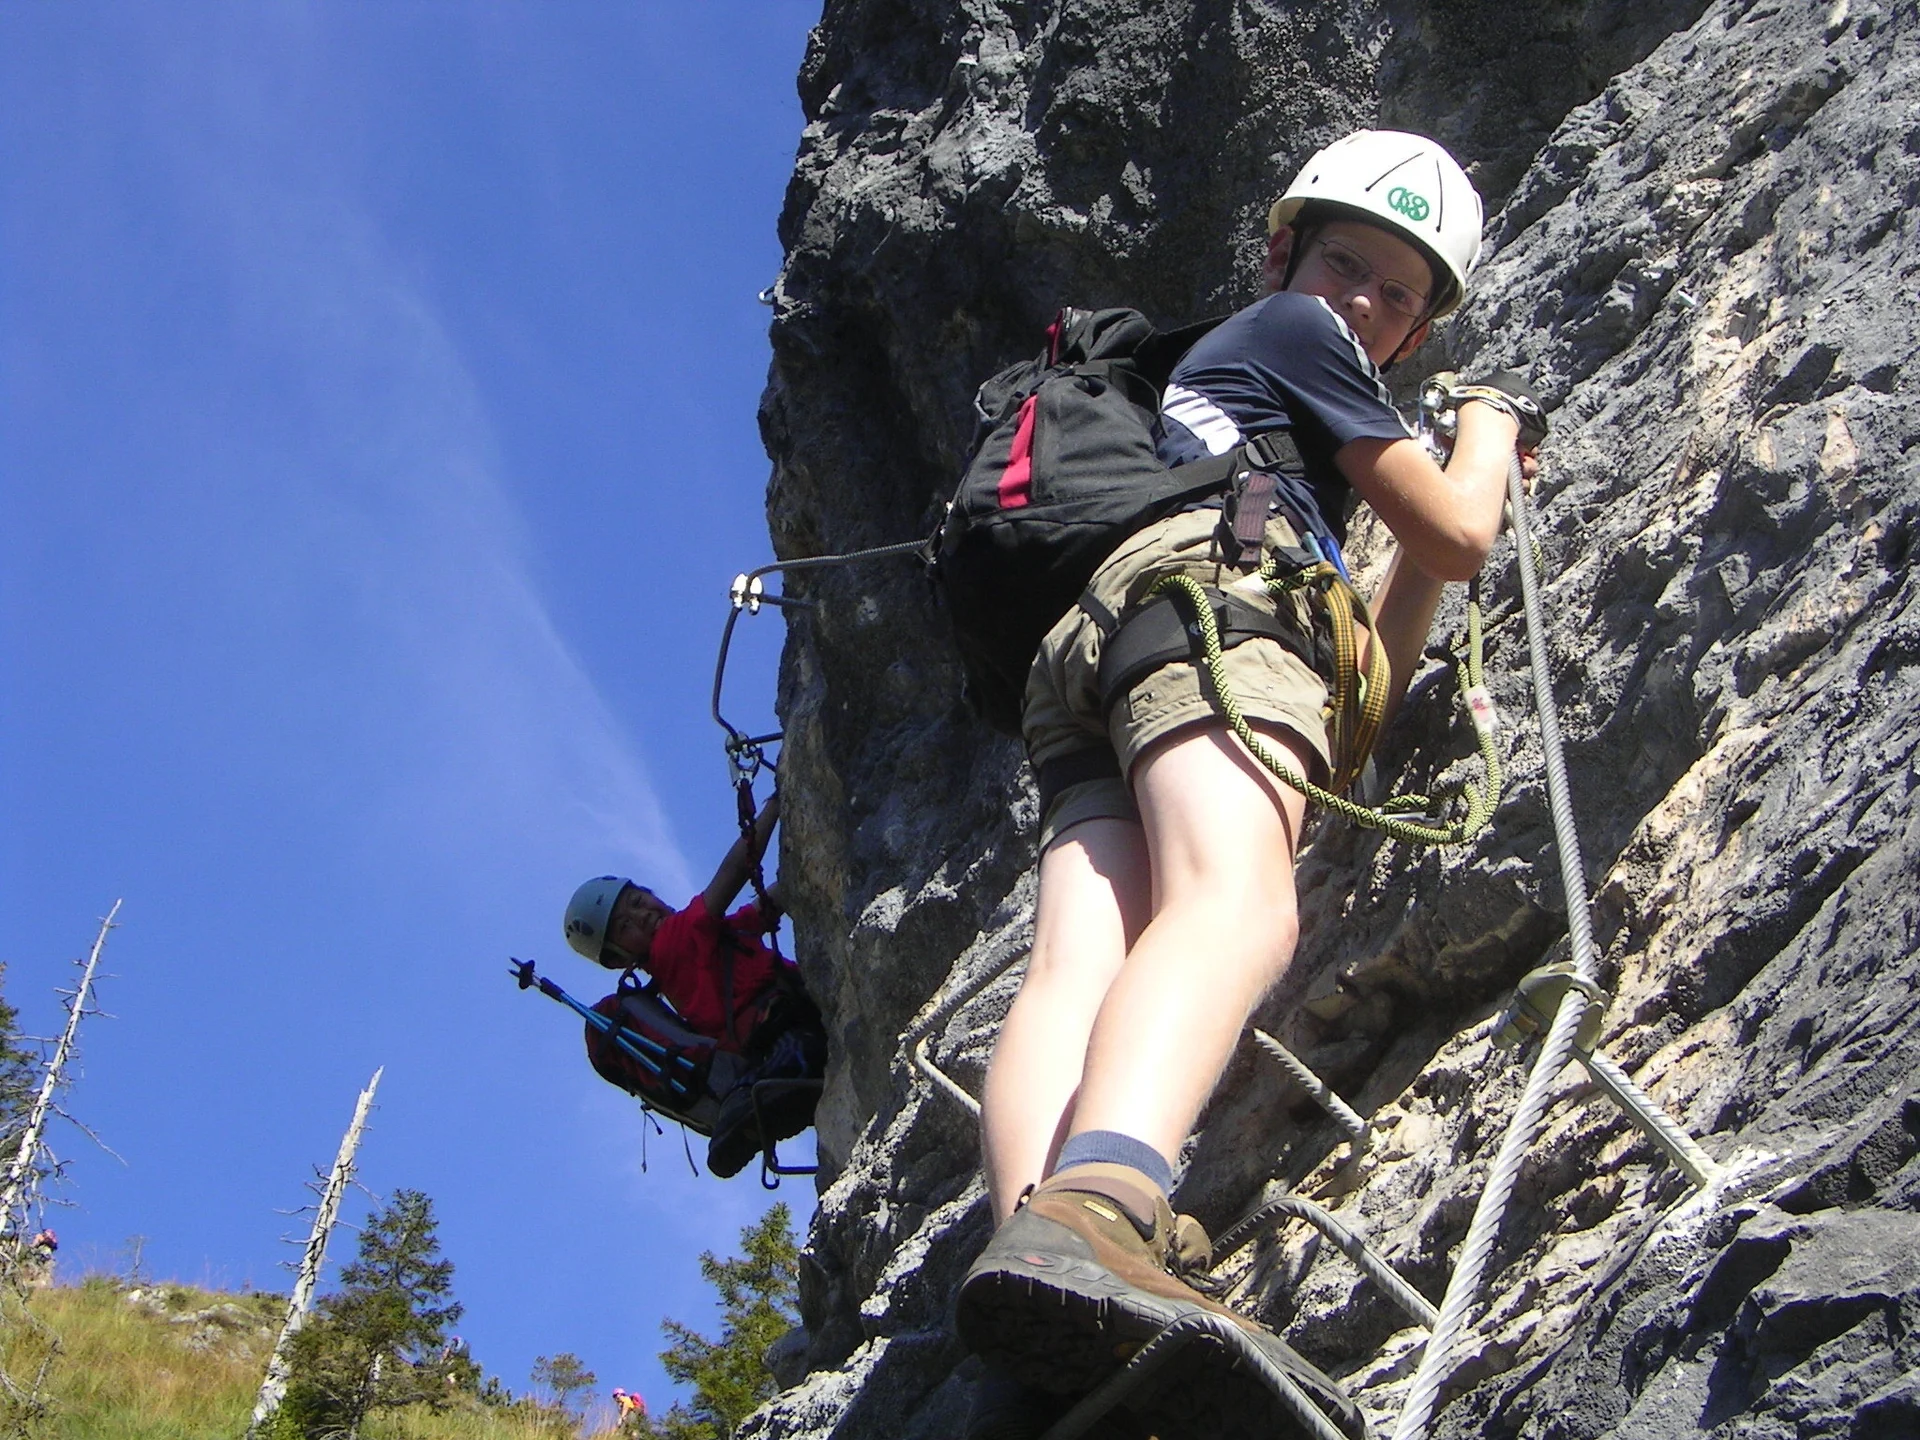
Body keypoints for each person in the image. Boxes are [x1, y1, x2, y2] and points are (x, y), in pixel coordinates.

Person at [954, 131, 1543, 1440]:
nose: (1370, 304)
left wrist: (1413, 557)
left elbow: (1350, 705)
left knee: (1080, 962)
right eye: (1351, 265)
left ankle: (1027, 1308)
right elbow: (1454, 525)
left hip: (1100, 646)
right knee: (1241, 903)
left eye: (1402, 294)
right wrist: (1491, 433)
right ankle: (1100, 1210)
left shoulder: (1236, 441)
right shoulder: (1291, 333)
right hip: (1201, 614)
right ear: (1286, 254)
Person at [565, 792, 827, 1176]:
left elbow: (763, 908)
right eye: (625, 925)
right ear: (620, 958)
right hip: (781, 1023)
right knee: (805, 1050)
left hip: (771, 1033)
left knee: (803, 1056)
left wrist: (804, 869)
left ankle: (752, 1106)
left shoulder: (694, 948)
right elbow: (732, 875)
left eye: (638, 901)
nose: (642, 916)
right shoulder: (676, 939)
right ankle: (757, 1101)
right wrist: (776, 806)